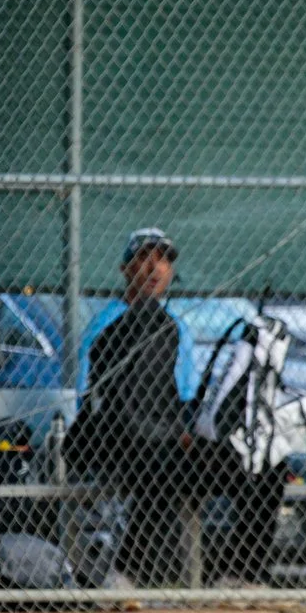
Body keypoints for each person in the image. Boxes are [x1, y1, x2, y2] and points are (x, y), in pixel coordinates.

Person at [68, 227, 196, 587]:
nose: (155, 268)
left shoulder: (177, 328)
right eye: (144, 258)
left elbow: (187, 395)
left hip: (163, 437)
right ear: (125, 268)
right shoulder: (106, 325)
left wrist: (182, 429)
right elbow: (89, 400)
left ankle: (135, 573)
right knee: (159, 465)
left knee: (172, 462)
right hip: (115, 436)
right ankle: (142, 574)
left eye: (164, 259)